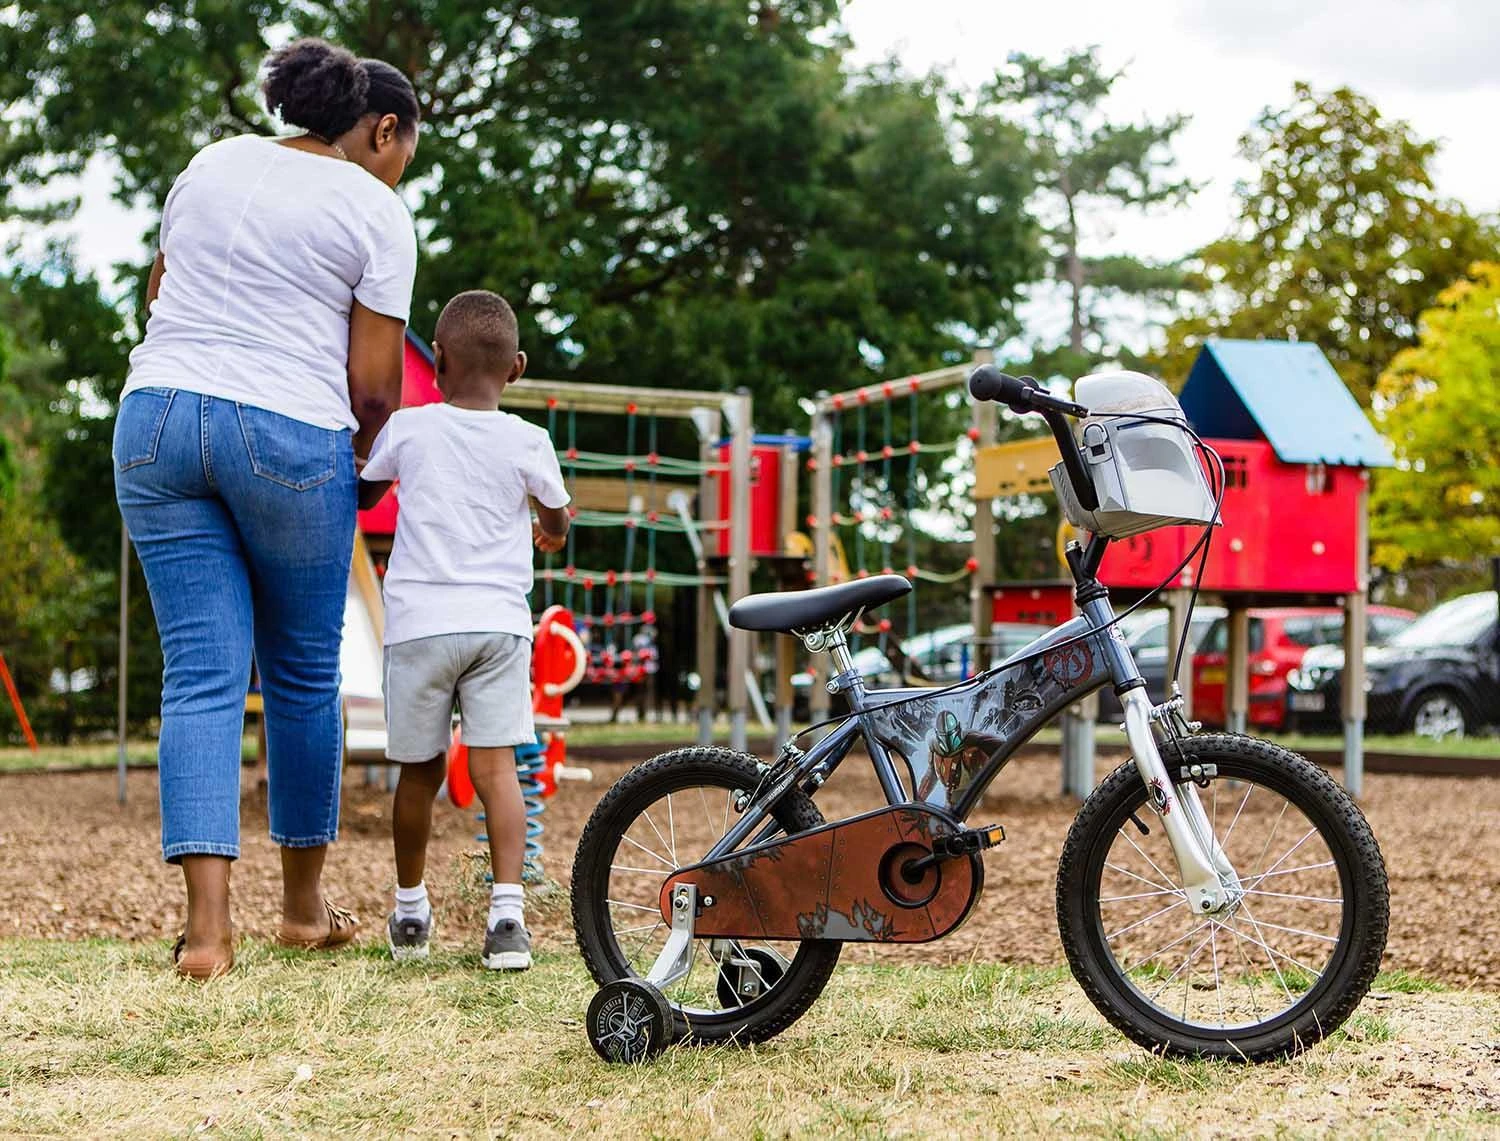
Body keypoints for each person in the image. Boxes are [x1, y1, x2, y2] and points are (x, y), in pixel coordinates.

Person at [112, 37, 421, 979]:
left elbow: (159, 289)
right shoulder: (377, 210)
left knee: (201, 676)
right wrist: (365, 464)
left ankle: (205, 938)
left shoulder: (212, 163)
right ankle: (301, 909)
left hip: (155, 421)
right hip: (287, 433)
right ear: (379, 128)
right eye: (407, 144)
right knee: (297, 674)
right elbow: (373, 389)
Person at [357, 290, 570, 970]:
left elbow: (365, 488)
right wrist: (547, 529)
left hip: (420, 626)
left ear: (438, 359)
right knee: (497, 770)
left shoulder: (410, 430)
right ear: (517, 368)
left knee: (417, 774)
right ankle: (507, 918)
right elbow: (560, 515)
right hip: (499, 628)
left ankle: (412, 910)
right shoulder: (529, 439)